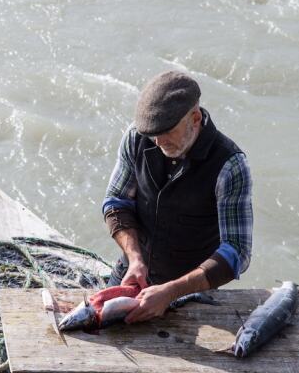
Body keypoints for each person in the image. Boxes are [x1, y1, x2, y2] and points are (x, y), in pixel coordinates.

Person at [102, 71, 253, 324]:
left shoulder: (231, 165)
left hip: (191, 290)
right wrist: (135, 260)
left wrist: (171, 291)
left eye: (167, 131)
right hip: (133, 271)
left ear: (195, 118)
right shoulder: (138, 137)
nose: (158, 141)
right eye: (153, 133)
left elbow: (237, 251)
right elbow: (117, 202)